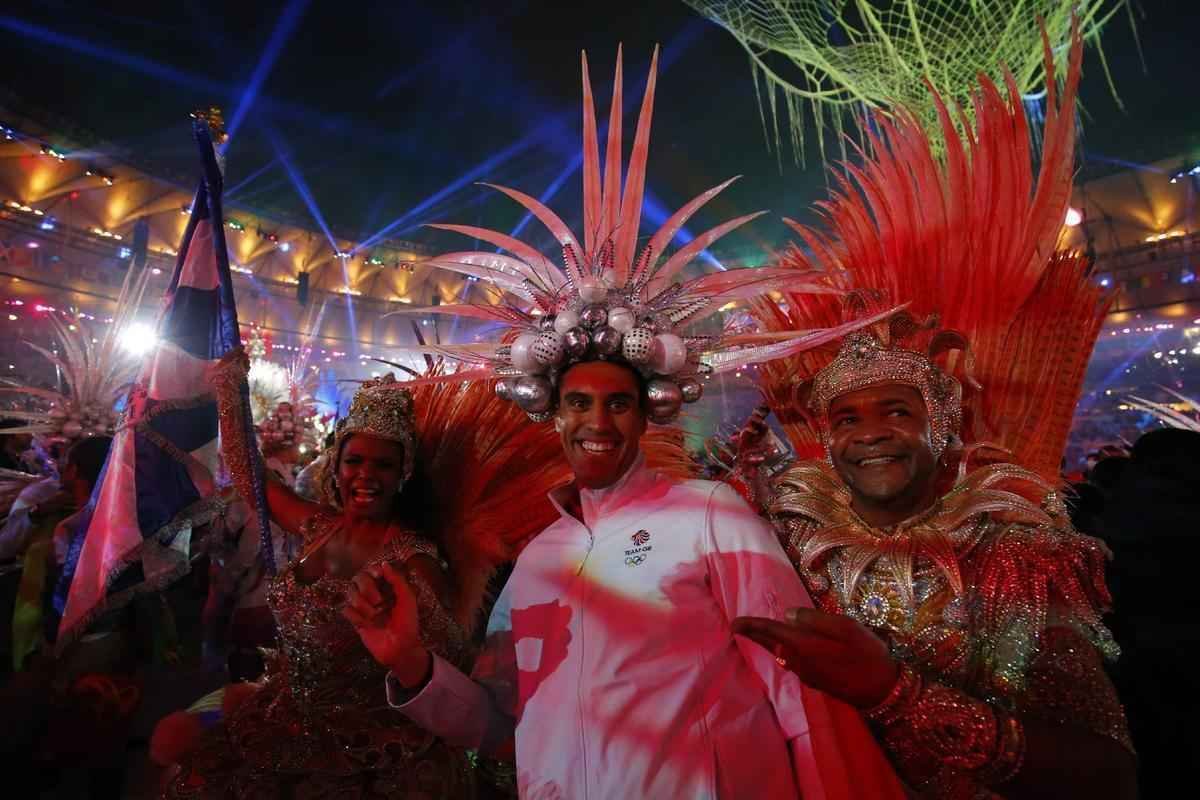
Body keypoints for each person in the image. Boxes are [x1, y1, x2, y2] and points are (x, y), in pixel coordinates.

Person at [344, 47, 906, 799]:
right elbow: (502, 728)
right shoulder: (539, 558)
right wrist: (409, 664)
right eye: (579, 404)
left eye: (618, 403)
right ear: (554, 416)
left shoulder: (712, 517)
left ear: (648, 418)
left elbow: (805, 692)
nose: (597, 421)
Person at [731, 25, 1135, 799]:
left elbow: (1107, 775)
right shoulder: (788, 540)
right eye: (846, 418)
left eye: (894, 410)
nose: (870, 432)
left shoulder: (1010, 557)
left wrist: (892, 690)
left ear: (941, 426)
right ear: (824, 437)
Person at [158, 374, 477, 798]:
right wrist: (230, 384)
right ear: (336, 465)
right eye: (355, 461)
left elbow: (449, 664)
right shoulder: (317, 527)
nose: (366, 475)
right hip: (280, 716)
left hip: (365, 750)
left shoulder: (413, 560)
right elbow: (250, 473)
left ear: (403, 473)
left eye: (383, 465)